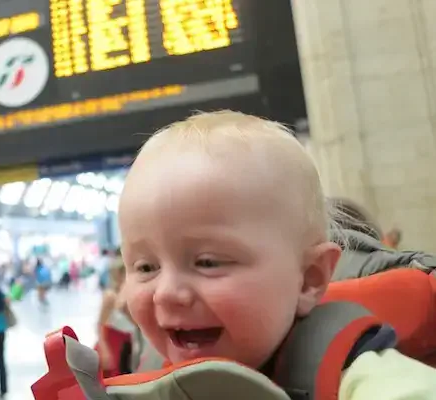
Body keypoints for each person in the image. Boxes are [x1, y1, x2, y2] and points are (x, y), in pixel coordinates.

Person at [115, 111, 436, 398]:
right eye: (146, 267)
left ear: (309, 278)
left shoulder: (371, 383)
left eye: (207, 262)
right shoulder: (147, 384)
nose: (167, 294)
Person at [96, 259, 140, 376]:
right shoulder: (110, 296)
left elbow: (135, 324)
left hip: (126, 345)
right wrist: (104, 349)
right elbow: (100, 324)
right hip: (111, 344)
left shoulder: (128, 296)